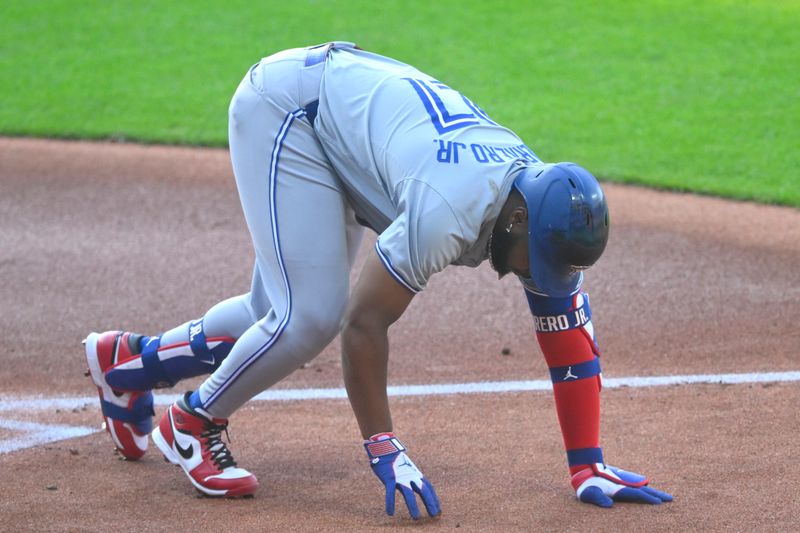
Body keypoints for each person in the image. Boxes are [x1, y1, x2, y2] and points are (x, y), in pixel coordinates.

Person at [84, 41, 671, 516]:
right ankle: (193, 421)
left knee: (278, 308)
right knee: (310, 315)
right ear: (518, 220)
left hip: (340, 124)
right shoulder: (450, 209)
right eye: (533, 262)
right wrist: (384, 447)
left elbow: (567, 336)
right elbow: (364, 325)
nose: (532, 276)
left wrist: (586, 462)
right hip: (289, 112)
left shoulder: (540, 209)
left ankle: (126, 364)